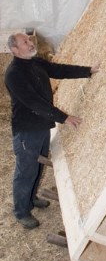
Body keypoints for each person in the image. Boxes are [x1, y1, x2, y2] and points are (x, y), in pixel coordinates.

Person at [4, 32, 99, 230]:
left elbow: (58, 69)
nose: (30, 43)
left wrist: (87, 71)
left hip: (41, 126)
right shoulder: (14, 74)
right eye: (25, 42)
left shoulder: (35, 62)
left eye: (29, 40)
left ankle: (31, 199)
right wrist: (64, 117)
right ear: (15, 50)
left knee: (38, 167)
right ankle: (21, 211)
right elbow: (33, 102)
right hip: (27, 131)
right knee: (26, 171)